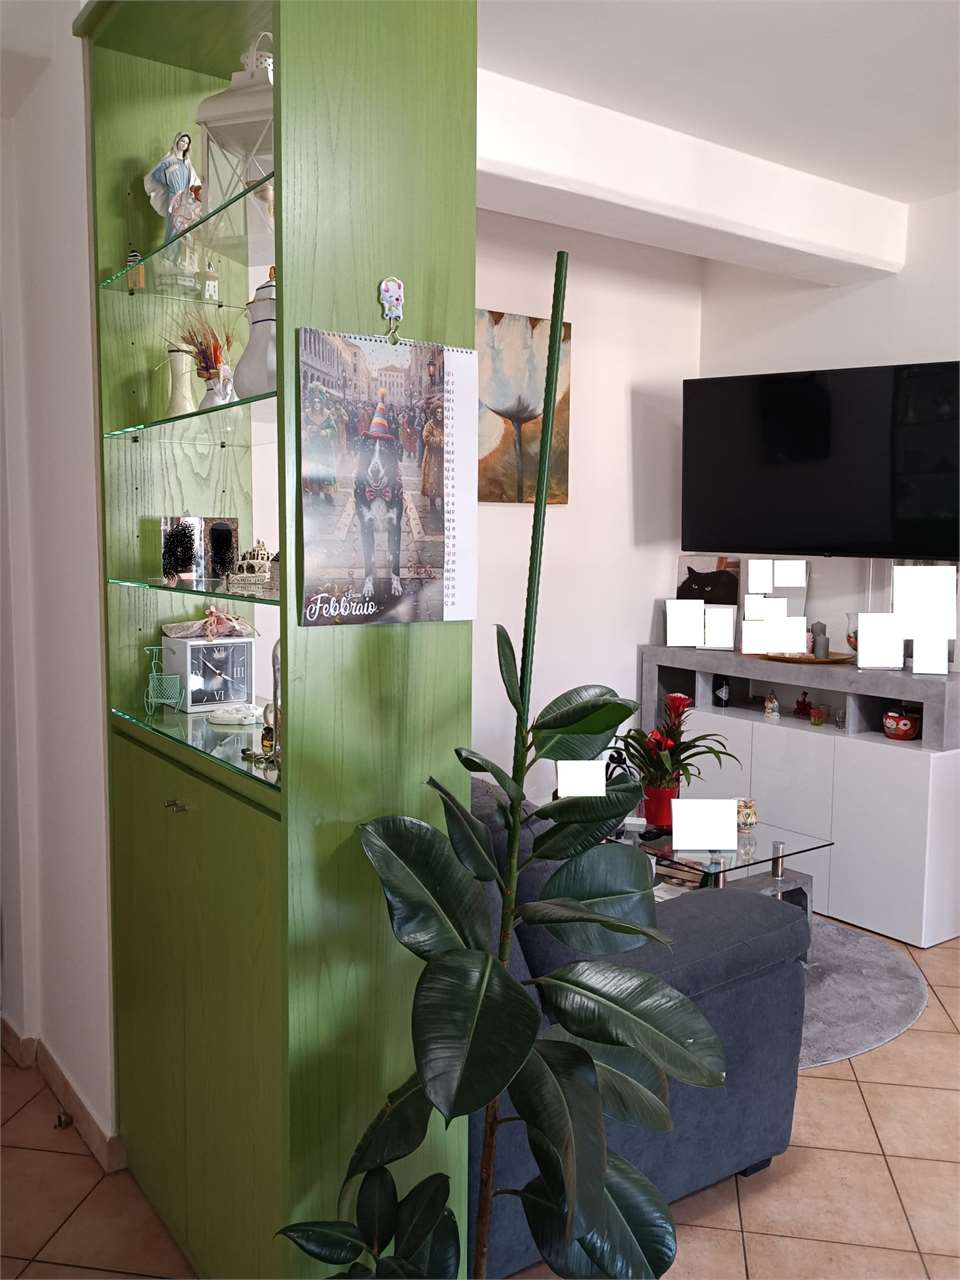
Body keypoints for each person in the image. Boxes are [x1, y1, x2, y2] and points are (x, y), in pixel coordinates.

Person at [144, 133, 202, 240]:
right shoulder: (169, 160)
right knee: (173, 224)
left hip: (185, 197)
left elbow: (193, 180)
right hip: (174, 196)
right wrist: (169, 180)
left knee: (184, 222)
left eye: (187, 143)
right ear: (177, 141)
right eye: (182, 141)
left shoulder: (187, 163)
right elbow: (156, 174)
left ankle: (180, 249)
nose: (184, 144)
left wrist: (196, 190)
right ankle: (169, 248)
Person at [421, 404, 444, 510]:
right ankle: (432, 503)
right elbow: (426, 438)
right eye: (437, 412)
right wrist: (439, 441)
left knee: (442, 479)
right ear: (434, 413)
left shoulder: (446, 425)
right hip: (432, 457)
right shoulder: (429, 425)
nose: (440, 414)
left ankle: (444, 502)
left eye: (441, 412)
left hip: (443, 457)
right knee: (432, 479)